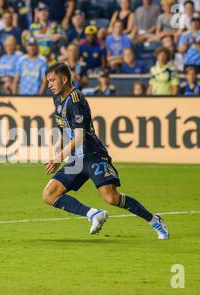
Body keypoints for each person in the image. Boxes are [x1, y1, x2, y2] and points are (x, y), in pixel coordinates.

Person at [43, 62, 169, 239]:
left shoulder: (76, 101)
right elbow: (67, 130)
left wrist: (59, 156)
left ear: (64, 79)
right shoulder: (57, 99)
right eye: (48, 81)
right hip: (77, 158)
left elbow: (79, 137)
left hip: (93, 155)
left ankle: (154, 220)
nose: (49, 84)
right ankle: (94, 214)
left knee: (111, 198)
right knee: (49, 194)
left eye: (52, 80)